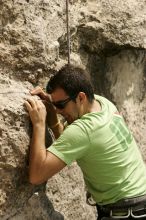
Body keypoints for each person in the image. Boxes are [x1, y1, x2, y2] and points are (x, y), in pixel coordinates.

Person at [24, 64, 146, 220]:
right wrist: (54, 119)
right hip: (136, 203)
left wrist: (39, 124)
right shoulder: (102, 104)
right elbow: (75, 146)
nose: (57, 110)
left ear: (81, 97)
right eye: (54, 105)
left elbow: (36, 176)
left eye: (60, 105)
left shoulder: (84, 130)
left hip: (125, 212)